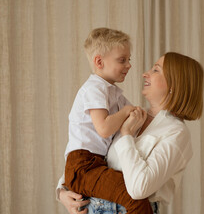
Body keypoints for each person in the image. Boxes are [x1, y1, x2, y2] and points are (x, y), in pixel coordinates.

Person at [57, 52, 204, 214]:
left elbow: (139, 189)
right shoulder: (129, 115)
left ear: (174, 84)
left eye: (156, 70)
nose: (145, 74)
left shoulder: (176, 133)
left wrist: (126, 135)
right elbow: (89, 149)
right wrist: (62, 191)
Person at [63, 27, 153, 214]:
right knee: (133, 195)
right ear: (99, 62)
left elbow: (141, 116)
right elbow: (104, 128)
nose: (129, 65)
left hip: (95, 163)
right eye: (122, 60)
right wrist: (128, 111)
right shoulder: (94, 88)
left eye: (129, 59)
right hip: (82, 165)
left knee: (134, 191)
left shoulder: (114, 93)